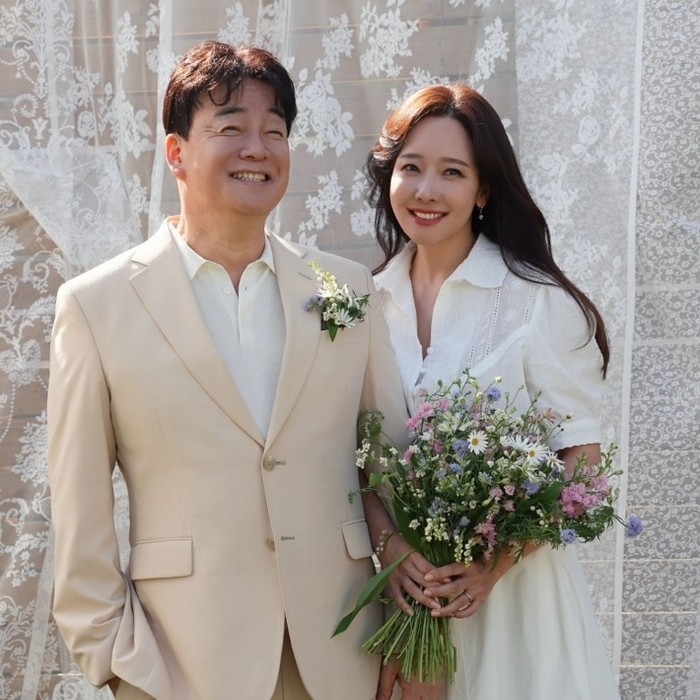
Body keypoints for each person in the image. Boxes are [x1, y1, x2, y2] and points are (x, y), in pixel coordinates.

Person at [47, 41, 411, 700]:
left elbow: (386, 471)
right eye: (231, 127)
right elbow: (80, 511)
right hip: (181, 667)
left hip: (341, 659)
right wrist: (118, 662)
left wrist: (405, 634)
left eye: (275, 131)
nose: (258, 148)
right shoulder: (97, 307)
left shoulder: (348, 290)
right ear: (176, 152)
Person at [367, 84, 621, 699]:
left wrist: (490, 567)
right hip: (404, 603)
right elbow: (355, 461)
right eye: (411, 168)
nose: (427, 190)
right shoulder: (363, 303)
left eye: (452, 172)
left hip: (516, 609)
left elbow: (582, 465)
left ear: (483, 190)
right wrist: (392, 549)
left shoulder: (537, 302)